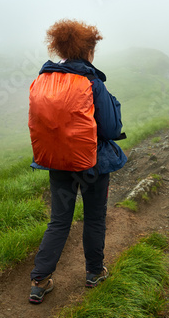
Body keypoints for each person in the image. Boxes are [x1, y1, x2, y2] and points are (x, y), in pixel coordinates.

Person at [27, 19, 127, 304]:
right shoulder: (92, 82)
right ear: (88, 51)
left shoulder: (45, 80)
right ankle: (94, 273)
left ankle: (39, 281)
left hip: (57, 161)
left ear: (60, 48)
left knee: (59, 221)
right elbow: (109, 129)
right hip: (92, 165)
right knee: (94, 218)